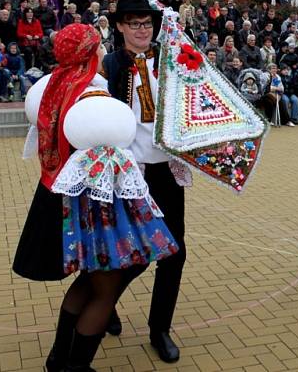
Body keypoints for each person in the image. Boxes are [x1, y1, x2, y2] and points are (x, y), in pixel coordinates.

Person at [13, 23, 178, 371]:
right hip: (99, 203)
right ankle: (74, 366)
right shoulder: (93, 94)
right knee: (106, 287)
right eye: (98, 45)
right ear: (89, 52)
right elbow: (117, 149)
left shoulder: (53, 86)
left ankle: (58, 359)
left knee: (90, 280)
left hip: (65, 199)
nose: (103, 50)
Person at [99, 0, 189, 363]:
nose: (141, 30)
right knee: (131, 255)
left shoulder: (170, 61)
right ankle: (102, 303)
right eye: (133, 23)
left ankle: (159, 329)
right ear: (119, 26)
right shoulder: (111, 65)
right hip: (129, 174)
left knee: (174, 253)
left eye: (147, 23)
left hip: (166, 169)